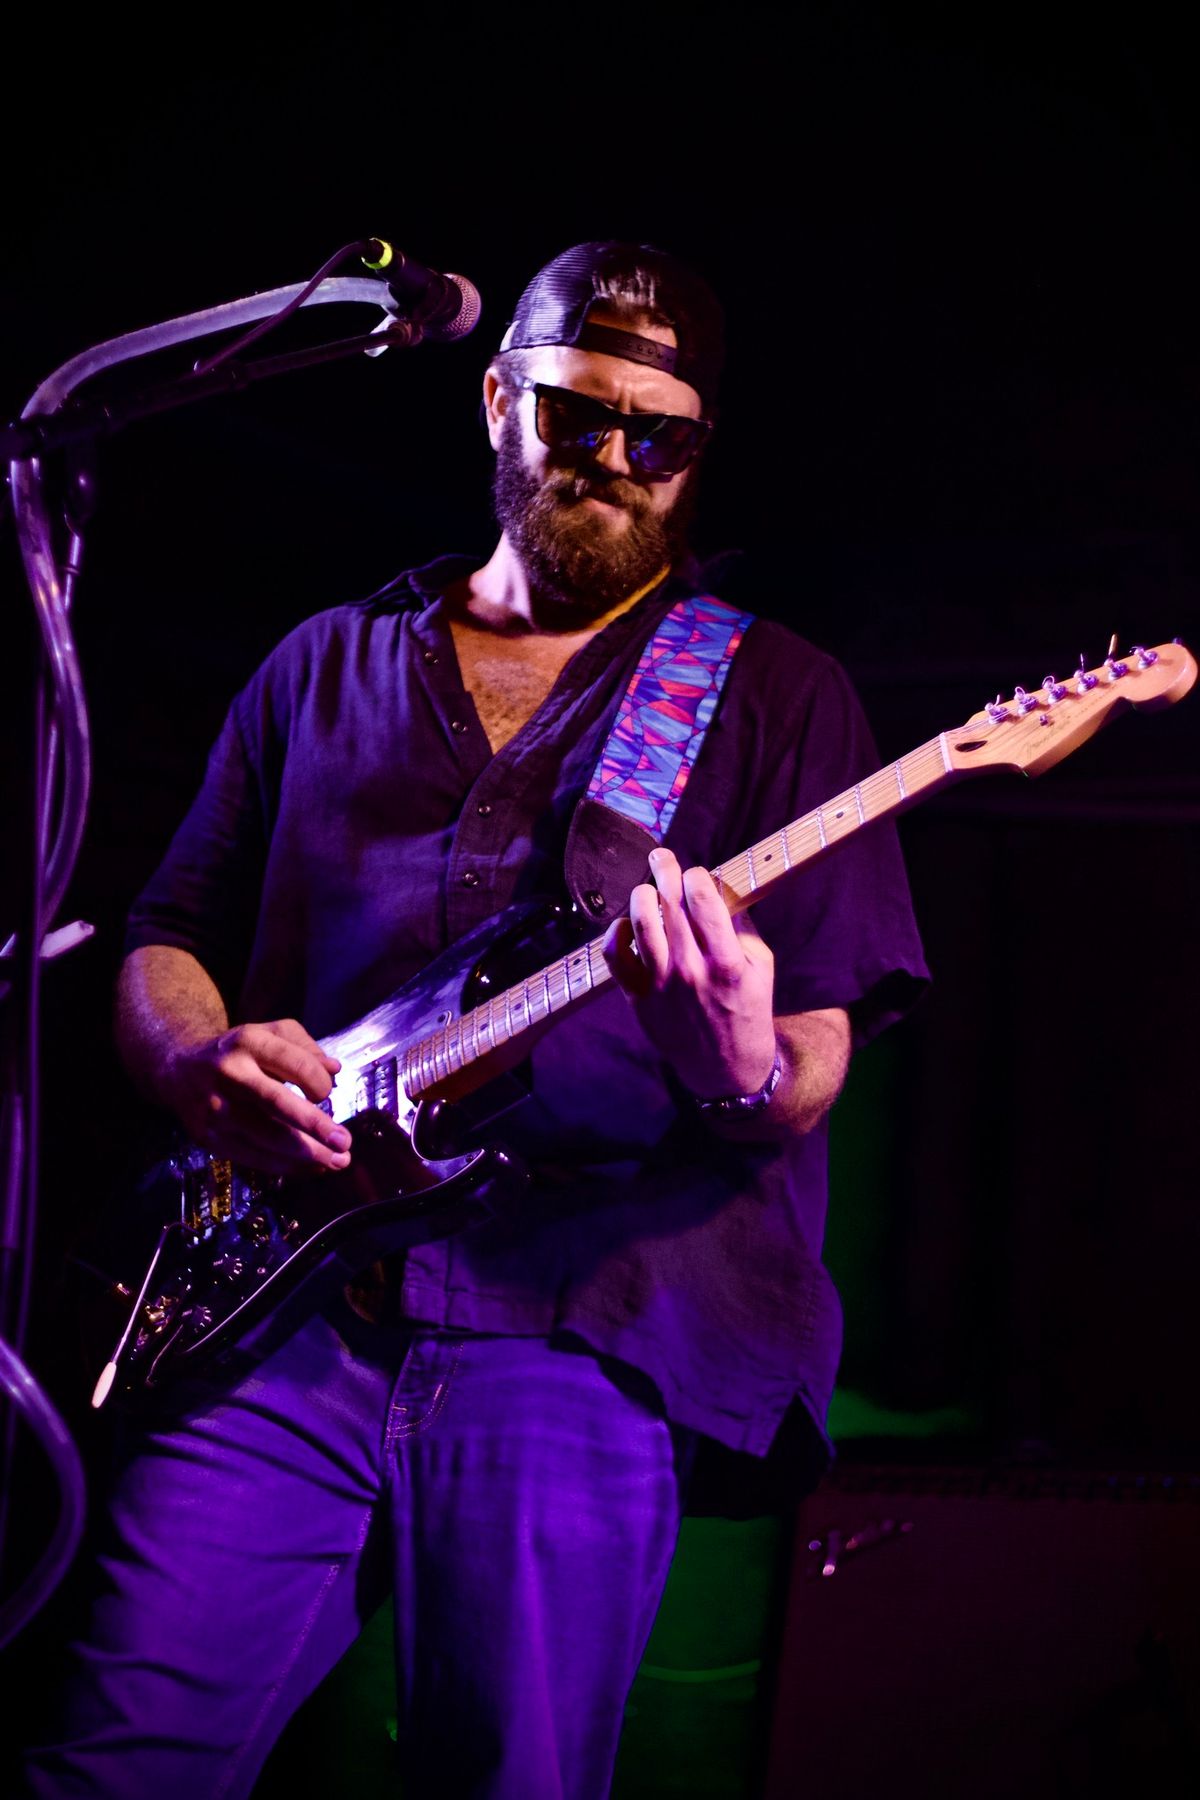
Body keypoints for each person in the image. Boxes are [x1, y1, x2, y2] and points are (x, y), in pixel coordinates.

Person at [24, 240, 928, 1798]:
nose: (619, 462)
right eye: (582, 415)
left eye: (664, 438)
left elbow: (811, 1061)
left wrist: (740, 1061)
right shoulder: (326, 662)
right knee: (107, 1761)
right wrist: (199, 1060)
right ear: (500, 397)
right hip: (277, 1313)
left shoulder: (777, 694)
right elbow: (166, 940)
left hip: (582, 1328)